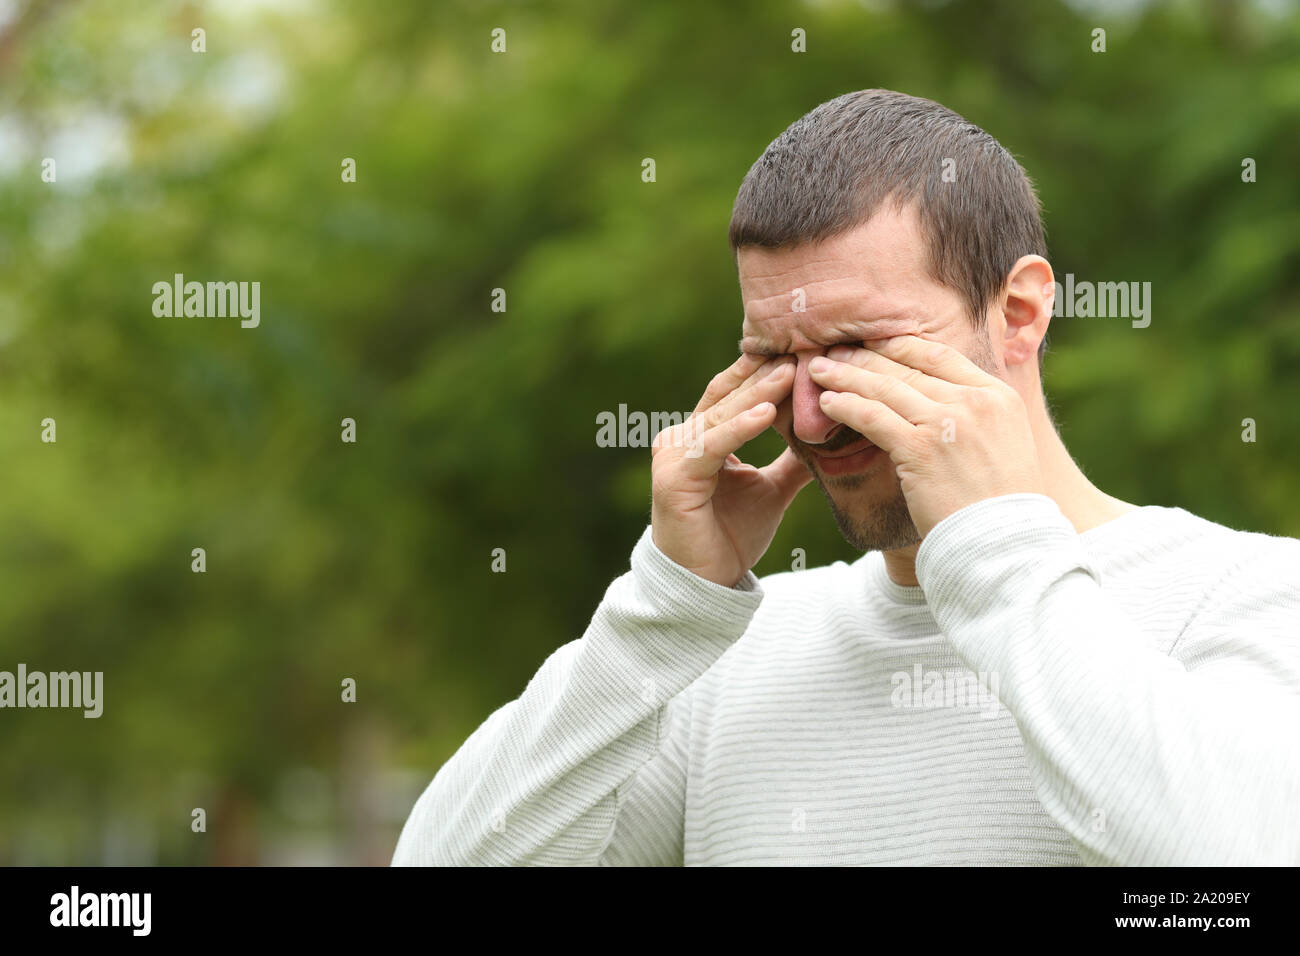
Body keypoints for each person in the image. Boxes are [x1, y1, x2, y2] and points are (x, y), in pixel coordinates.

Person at [393, 89, 1300, 865]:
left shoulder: (1248, 596)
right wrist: (665, 608)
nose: (814, 417)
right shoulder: (725, 655)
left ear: (1018, 312)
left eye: (857, 349)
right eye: (775, 358)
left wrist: (997, 548)